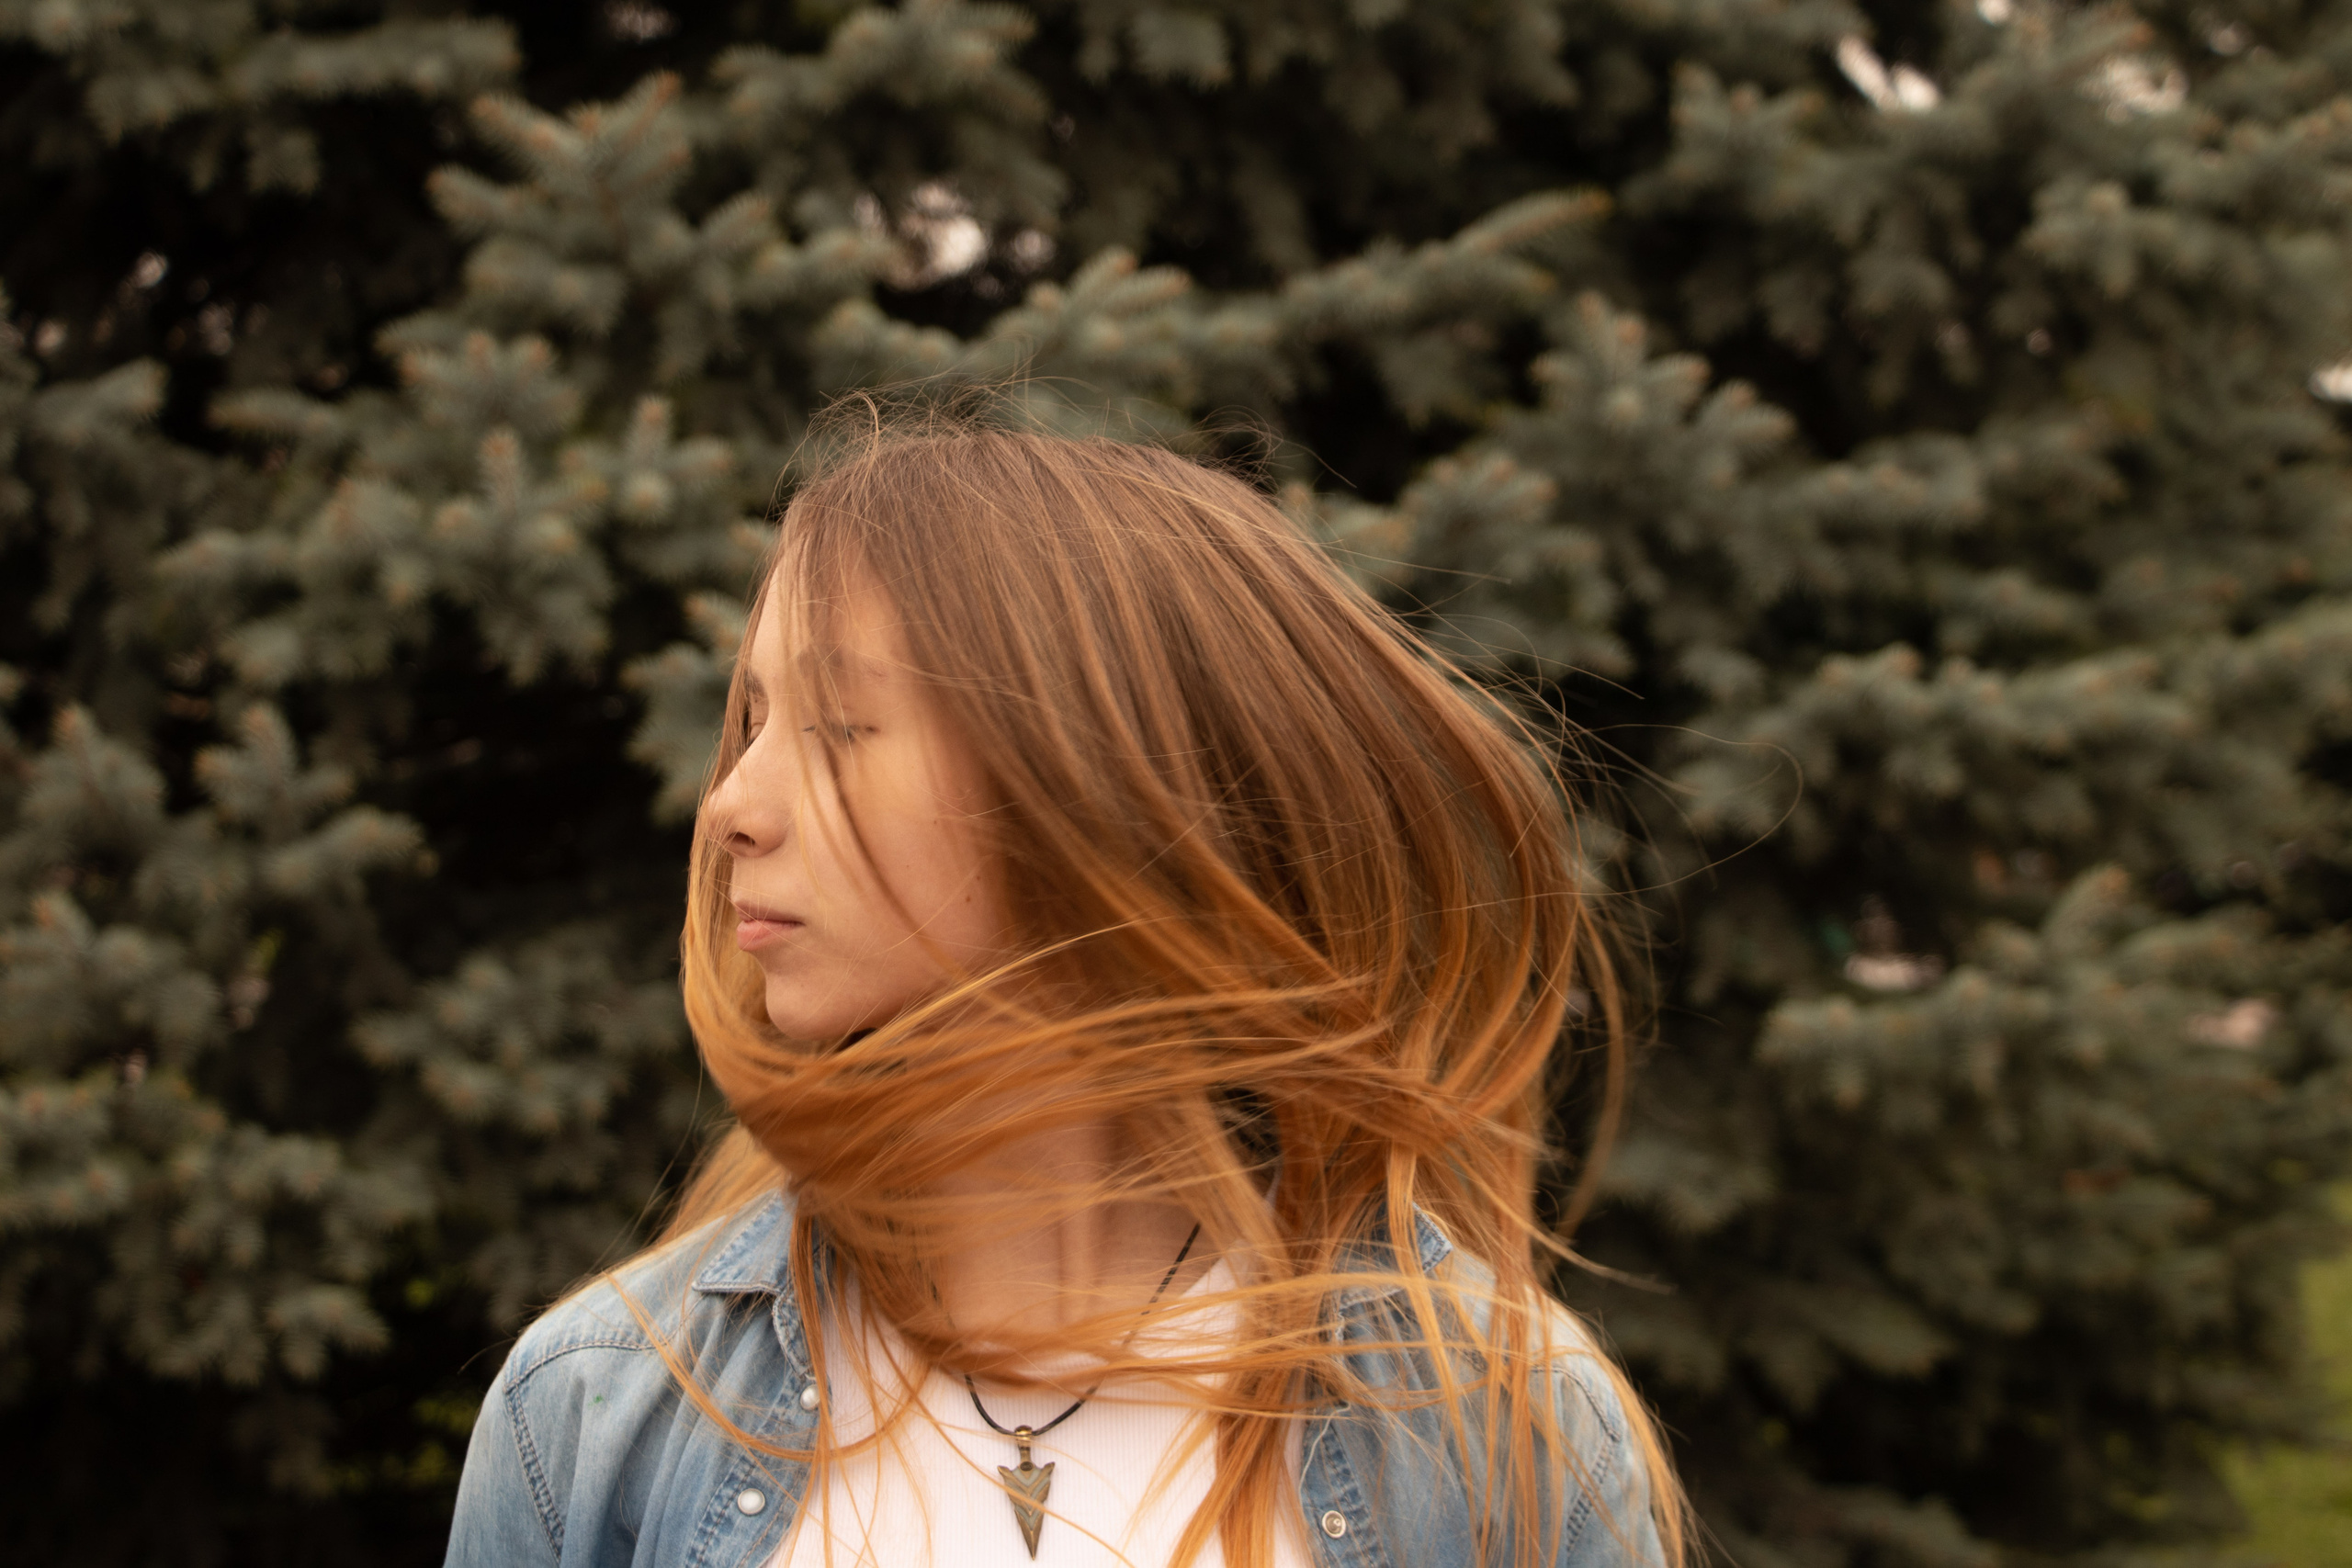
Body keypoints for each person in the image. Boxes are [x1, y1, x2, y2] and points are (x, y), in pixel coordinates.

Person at [444, 402, 1689, 1568]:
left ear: (1097, 778)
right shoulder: (597, 1411)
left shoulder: (1493, 1434)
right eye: (754, 720)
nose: (729, 805)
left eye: (835, 725)